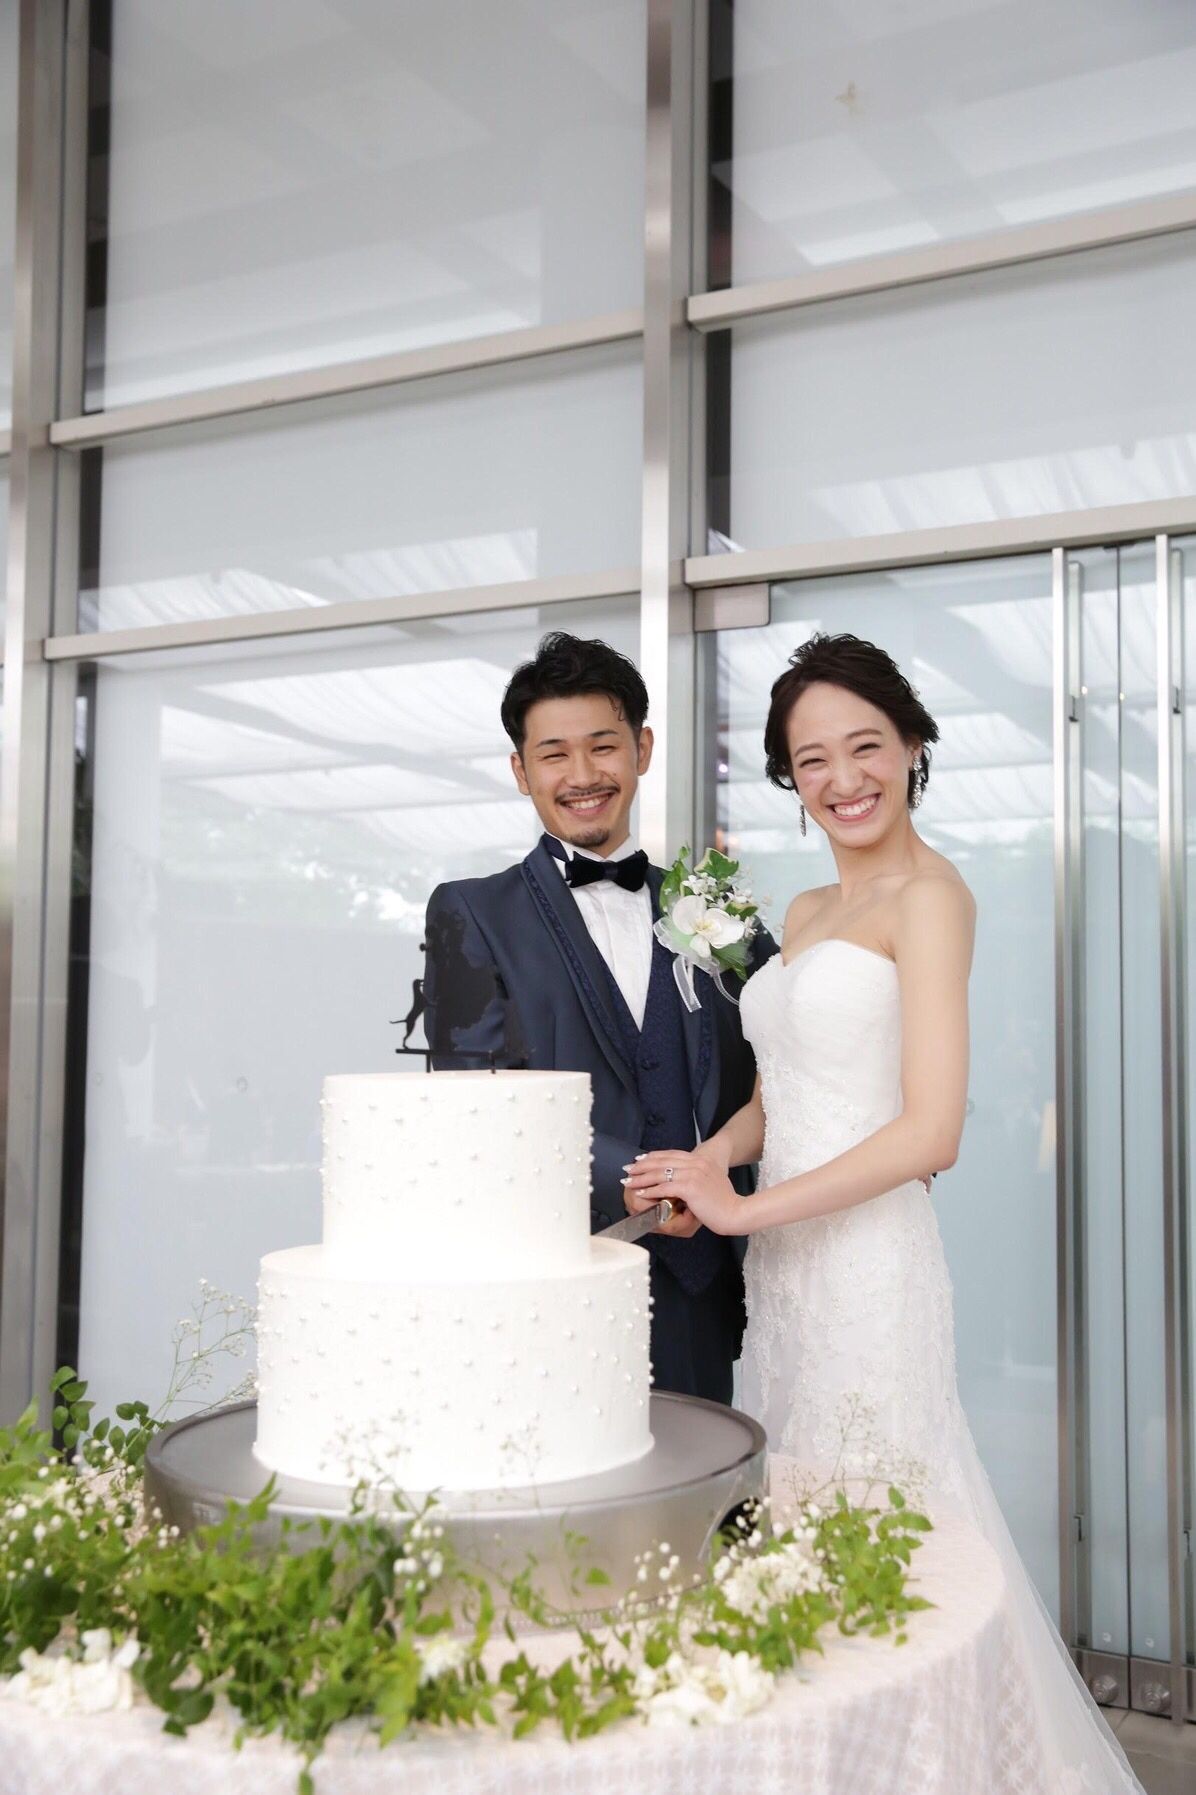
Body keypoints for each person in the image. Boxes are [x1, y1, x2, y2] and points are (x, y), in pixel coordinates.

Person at [624, 632, 1142, 1791]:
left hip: (867, 1266)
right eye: (811, 758)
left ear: (912, 745)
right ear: (789, 777)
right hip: (788, 1272)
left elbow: (928, 1132)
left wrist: (740, 1212)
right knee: (803, 1526)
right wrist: (705, 1160)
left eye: (864, 746)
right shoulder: (806, 906)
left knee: (887, 1538)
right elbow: (783, 1095)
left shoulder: (931, 898)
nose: (842, 778)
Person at [422, 631, 776, 1404]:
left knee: (706, 1474)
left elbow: (791, 1058)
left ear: (642, 750)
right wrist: (639, 1182)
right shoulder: (472, 912)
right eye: (554, 754)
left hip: (703, 1288)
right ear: (521, 771)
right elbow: (476, 1097)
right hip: (554, 1284)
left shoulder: (718, 911)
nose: (583, 775)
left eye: (603, 746)